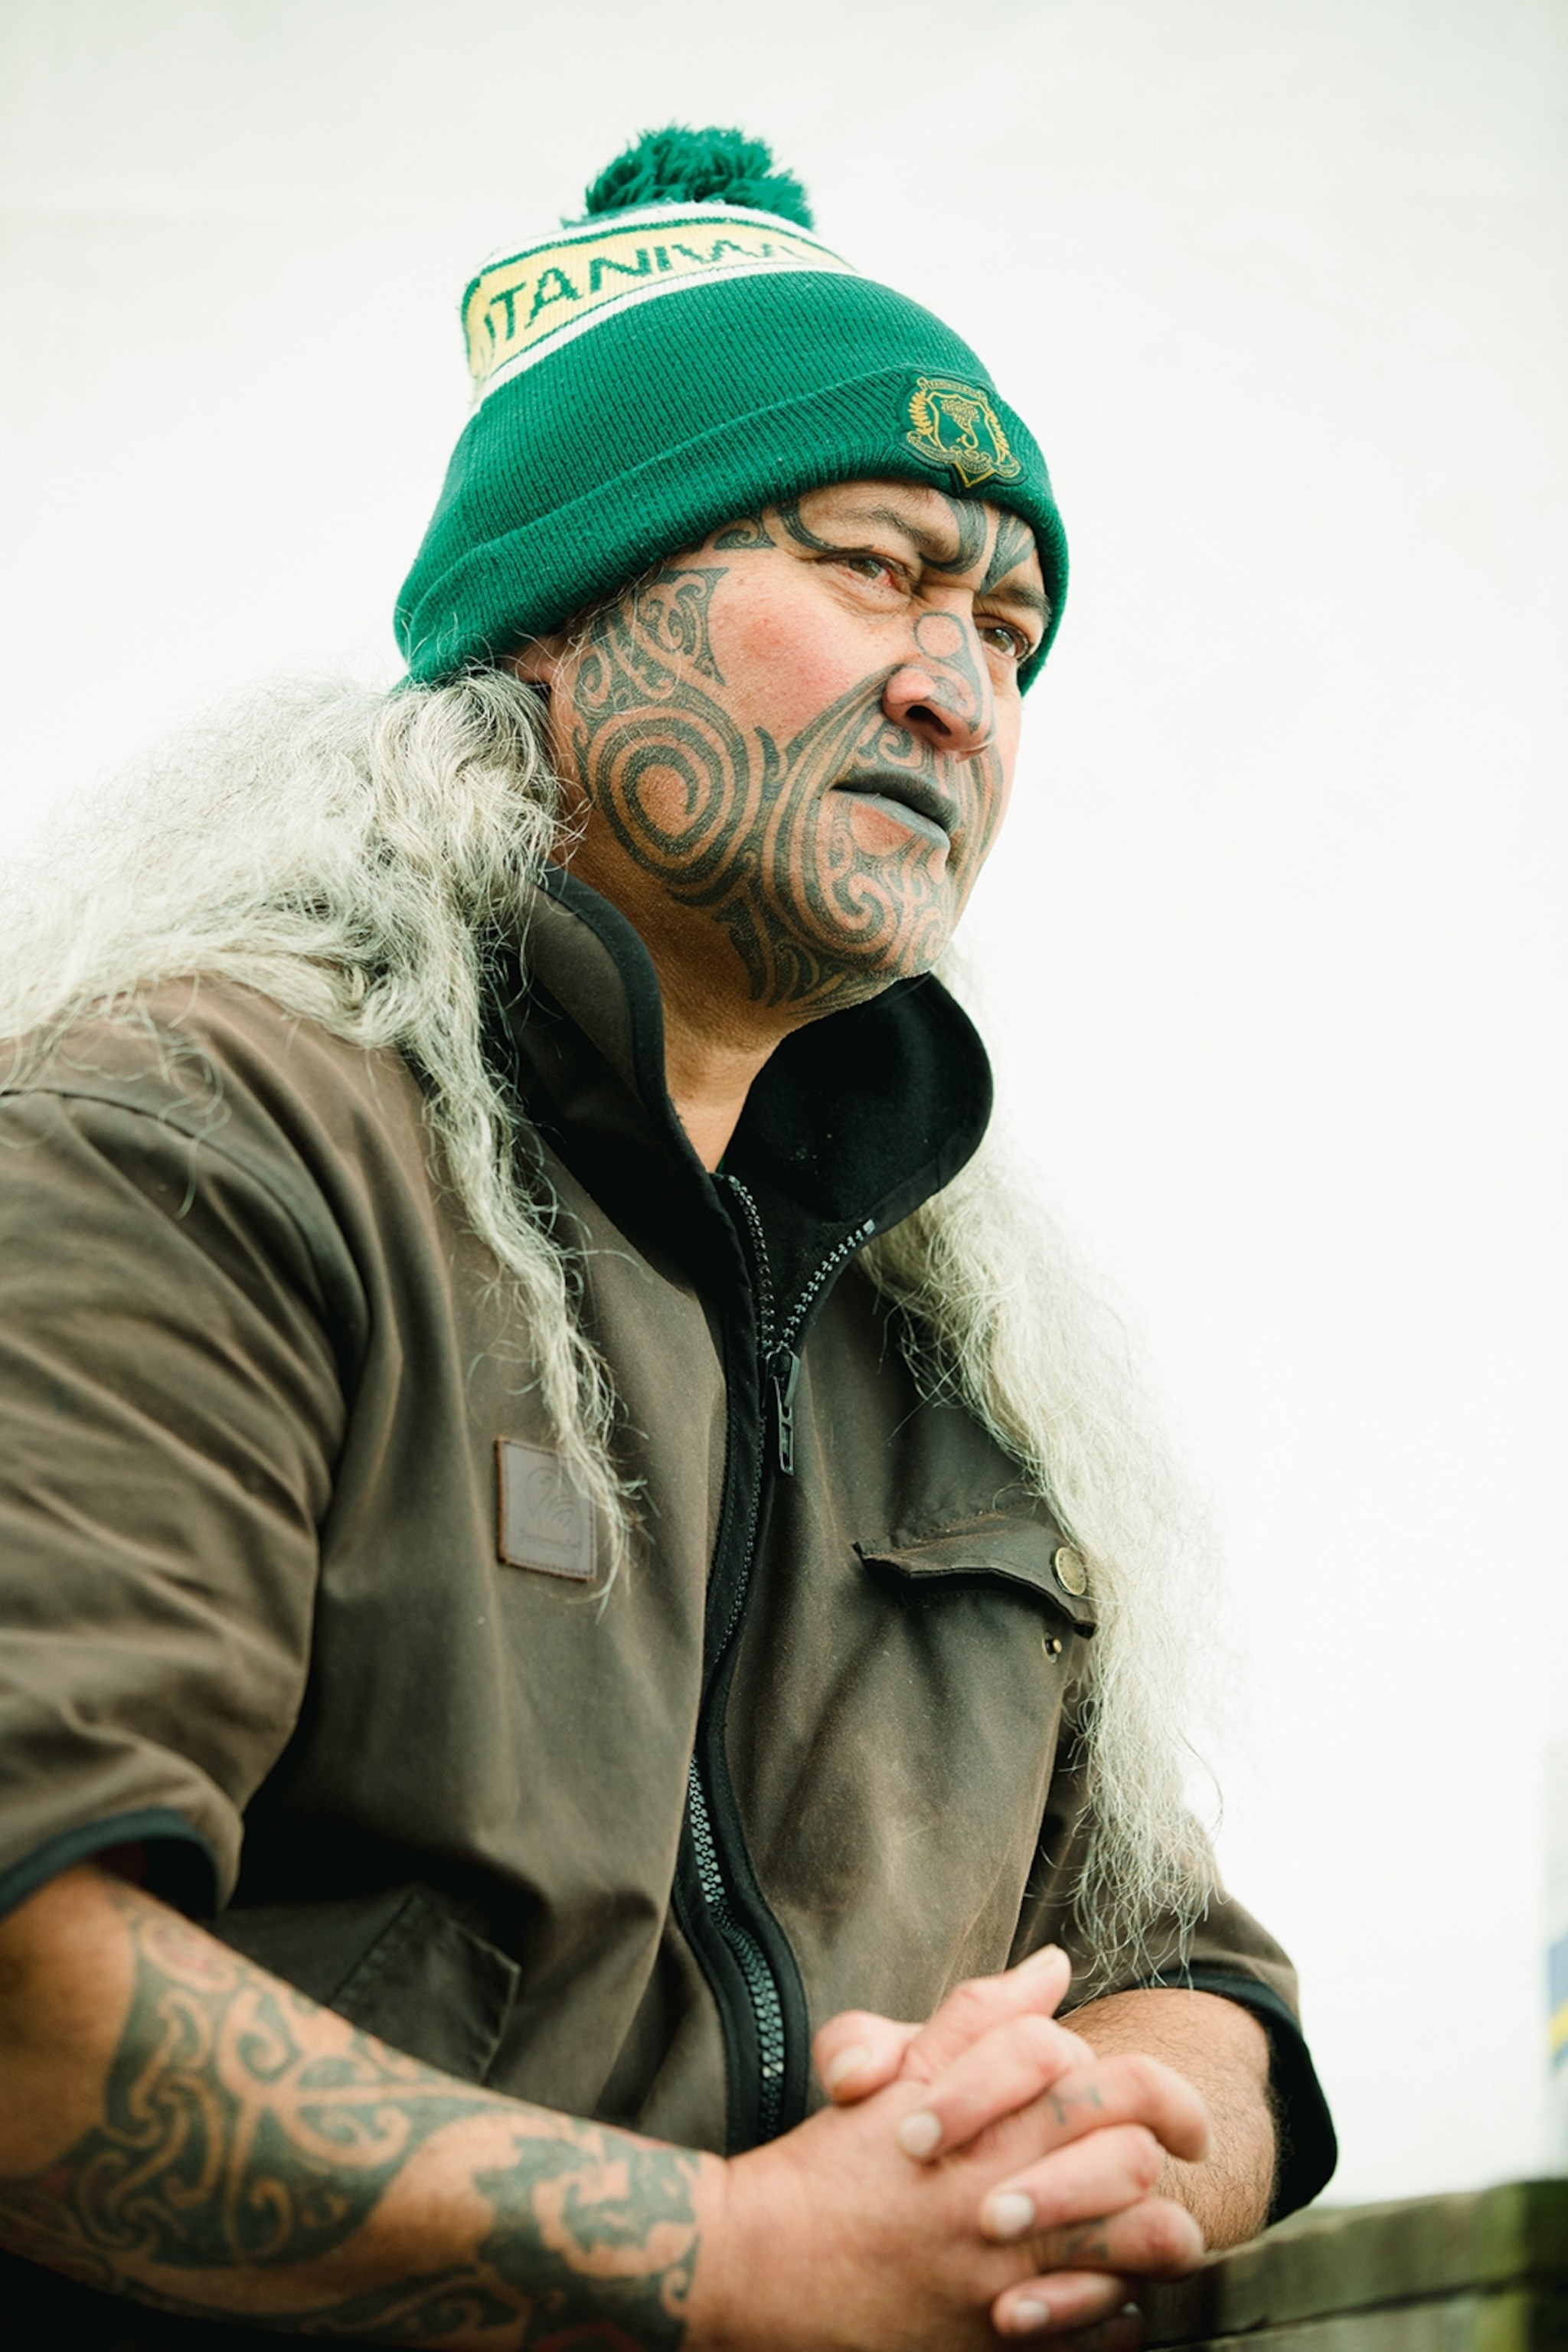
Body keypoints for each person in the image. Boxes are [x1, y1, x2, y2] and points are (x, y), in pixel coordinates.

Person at [0, 128, 1334, 2347]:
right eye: (879, 568)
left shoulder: (949, 1349)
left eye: (1008, 626)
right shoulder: (196, 1141)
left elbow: (1202, 1990)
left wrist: (1067, 2130)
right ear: (557, 617)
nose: (962, 687)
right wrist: (731, 2264)